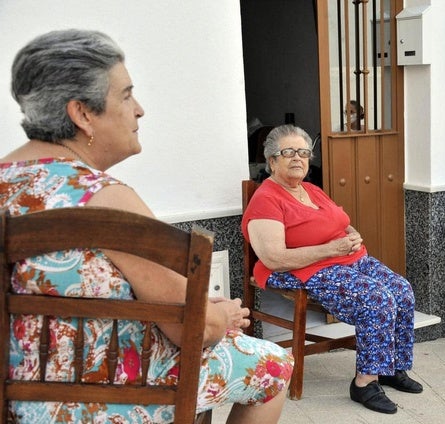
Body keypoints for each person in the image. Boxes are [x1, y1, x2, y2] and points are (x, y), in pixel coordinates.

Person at [1, 29, 293, 424]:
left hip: (16, 396)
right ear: (82, 113)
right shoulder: (102, 198)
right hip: (101, 400)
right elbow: (193, 331)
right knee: (272, 364)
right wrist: (220, 317)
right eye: (125, 95)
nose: (139, 110)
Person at [241, 124, 422, 414]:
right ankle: (365, 382)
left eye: (303, 152)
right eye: (288, 152)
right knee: (376, 299)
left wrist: (352, 235)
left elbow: (339, 220)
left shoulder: (311, 189)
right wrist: (331, 250)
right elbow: (274, 257)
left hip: (346, 258)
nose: (298, 158)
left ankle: (391, 368)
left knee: (401, 290)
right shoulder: (267, 199)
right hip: (307, 268)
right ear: (272, 160)